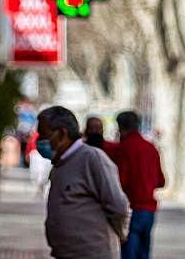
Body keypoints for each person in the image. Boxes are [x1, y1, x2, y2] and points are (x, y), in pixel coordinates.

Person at [37, 105, 130, 258]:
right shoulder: (59, 163)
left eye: (43, 135)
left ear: (61, 134)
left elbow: (119, 206)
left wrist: (120, 233)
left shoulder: (92, 158)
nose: (40, 141)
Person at [110, 110, 166, 259]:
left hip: (130, 209)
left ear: (120, 127)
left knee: (129, 252)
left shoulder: (124, 149)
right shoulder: (151, 148)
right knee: (143, 252)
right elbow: (161, 181)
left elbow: (121, 181)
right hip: (149, 209)